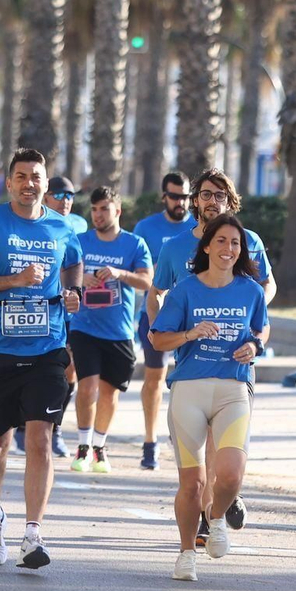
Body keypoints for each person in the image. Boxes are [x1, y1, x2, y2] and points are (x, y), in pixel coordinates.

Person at [0, 148, 82, 570]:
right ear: (9, 182)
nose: (30, 183)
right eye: (21, 176)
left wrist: (71, 293)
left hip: (46, 350)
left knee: (41, 437)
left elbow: (74, 264)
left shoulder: (61, 227)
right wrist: (15, 281)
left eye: (37, 176)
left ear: (47, 183)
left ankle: (33, 534)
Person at [147, 167, 274, 545]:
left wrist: (249, 322)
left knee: (223, 444)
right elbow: (156, 293)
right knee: (199, 448)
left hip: (235, 361)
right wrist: (163, 331)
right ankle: (211, 505)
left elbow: (266, 285)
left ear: (229, 200)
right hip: (192, 361)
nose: (212, 200)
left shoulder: (247, 240)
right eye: (205, 193)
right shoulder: (174, 247)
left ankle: (215, 504)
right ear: (195, 200)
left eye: (220, 194)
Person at [67, 187, 153, 474]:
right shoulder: (80, 241)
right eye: (94, 209)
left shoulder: (134, 244)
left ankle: (99, 448)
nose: (98, 215)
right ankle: (82, 446)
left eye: (104, 208)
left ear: (118, 211)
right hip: (84, 326)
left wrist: (119, 274)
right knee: (87, 386)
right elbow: (63, 273)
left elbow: (146, 281)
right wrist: (84, 278)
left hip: (118, 331)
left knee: (109, 393)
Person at [128, 171, 195, 469]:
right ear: (164, 196)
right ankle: (150, 440)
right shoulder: (146, 227)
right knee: (154, 378)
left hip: (192, 318)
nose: (180, 202)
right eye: (174, 196)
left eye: (185, 197)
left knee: (189, 381)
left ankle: (180, 434)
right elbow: (141, 274)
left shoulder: (199, 228)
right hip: (154, 315)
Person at [18, 174, 87, 458]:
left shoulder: (79, 225)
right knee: (26, 367)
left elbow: (76, 261)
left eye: (70, 196)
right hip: (32, 307)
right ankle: (23, 423)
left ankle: (53, 426)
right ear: (46, 196)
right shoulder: (35, 222)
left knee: (68, 369)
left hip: (66, 310)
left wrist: (75, 289)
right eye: (59, 195)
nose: (65, 201)